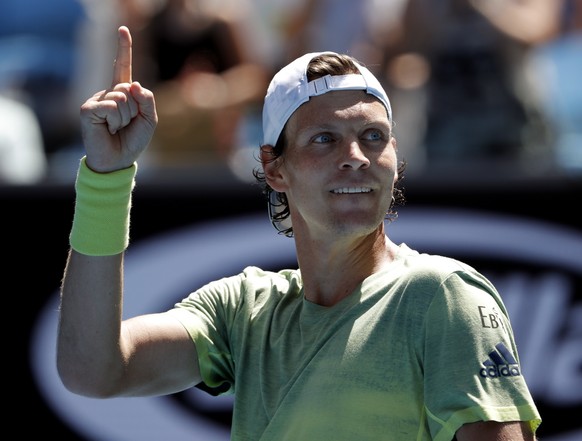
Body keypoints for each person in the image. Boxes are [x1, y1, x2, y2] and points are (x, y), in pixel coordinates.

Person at [56, 26, 541, 440]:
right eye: (324, 139)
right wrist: (106, 178)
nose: (355, 155)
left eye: (373, 137)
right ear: (274, 168)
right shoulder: (241, 310)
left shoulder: (444, 295)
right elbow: (92, 369)